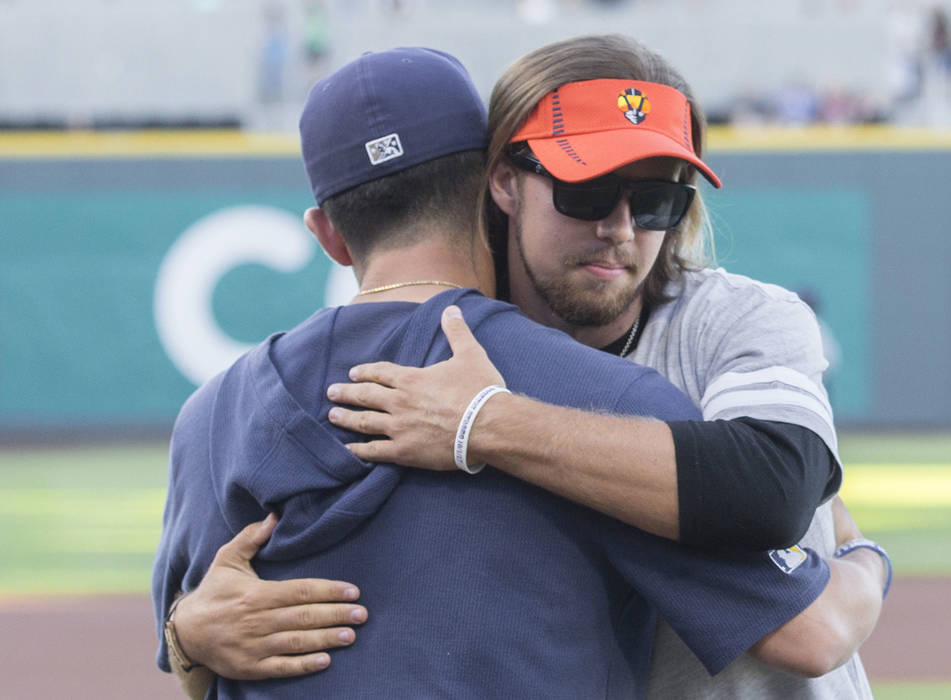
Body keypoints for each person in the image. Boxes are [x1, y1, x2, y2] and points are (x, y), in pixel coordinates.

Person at [158, 40, 889, 697]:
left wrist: (486, 423)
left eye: (660, 199)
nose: (622, 229)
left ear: (329, 235)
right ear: (498, 185)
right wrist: (190, 634)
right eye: (587, 192)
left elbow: (778, 508)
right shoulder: (583, 384)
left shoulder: (728, 322)